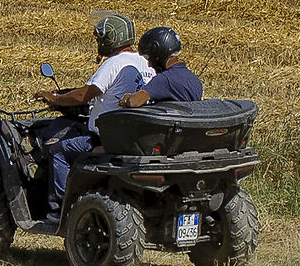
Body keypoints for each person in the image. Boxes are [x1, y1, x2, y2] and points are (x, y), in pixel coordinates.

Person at [31, 11, 152, 218]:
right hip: (134, 137)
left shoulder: (115, 63)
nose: (99, 41)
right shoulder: (146, 63)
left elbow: (83, 96)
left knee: (58, 151)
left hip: (106, 137)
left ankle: (60, 210)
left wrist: (55, 99)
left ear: (112, 38)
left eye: (101, 37)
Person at [118, 26, 201, 107]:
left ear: (159, 54)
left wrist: (127, 100)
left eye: (148, 58)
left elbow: (134, 102)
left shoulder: (165, 79)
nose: (149, 64)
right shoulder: (194, 79)